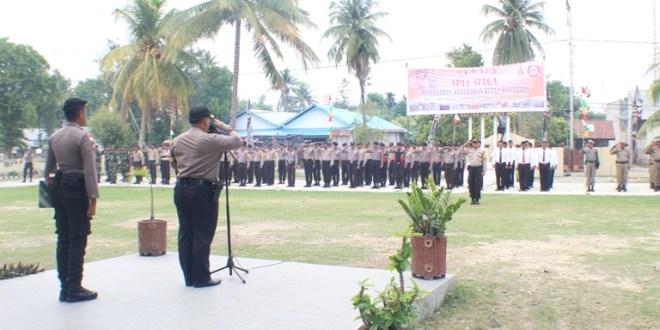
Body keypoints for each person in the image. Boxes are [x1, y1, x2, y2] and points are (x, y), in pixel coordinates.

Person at [170, 105, 242, 288]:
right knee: (202, 234)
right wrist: (226, 127)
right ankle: (201, 278)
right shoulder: (209, 139)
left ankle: (189, 277)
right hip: (201, 191)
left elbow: (174, 163)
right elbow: (237, 141)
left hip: (181, 188)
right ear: (205, 120)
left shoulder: (177, 140)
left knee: (186, 234)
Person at [45, 97, 99, 303]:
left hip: (59, 188)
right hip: (77, 190)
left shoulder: (55, 136)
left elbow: (48, 169)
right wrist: (93, 200)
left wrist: (54, 191)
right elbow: (89, 171)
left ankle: (65, 287)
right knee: (78, 238)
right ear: (79, 114)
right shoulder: (82, 137)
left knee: (64, 238)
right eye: (84, 111)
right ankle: (75, 287)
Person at [460, 139, 487, 205]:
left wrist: (484, 170)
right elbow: (460, 151)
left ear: (478, 143)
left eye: (476, 143)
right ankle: (472, 198)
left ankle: (477, 199)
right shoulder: (469, 150)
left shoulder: (482, 151)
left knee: (477, 184)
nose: (475, 144)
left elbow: (484, 161)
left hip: (478, 168)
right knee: (471, 183)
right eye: (473, 143)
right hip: (471, 168)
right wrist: (465, 144)